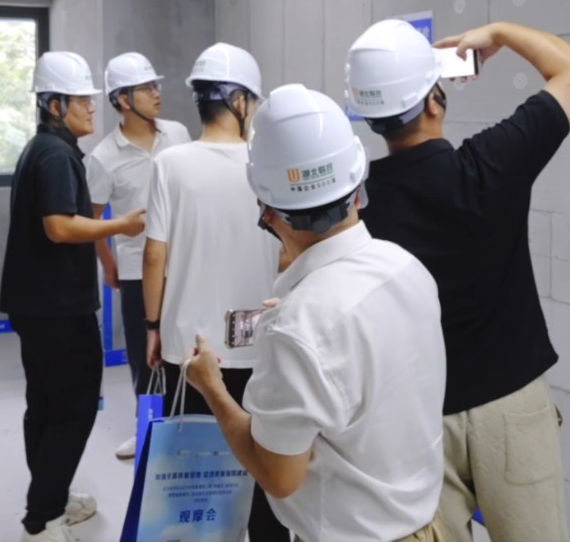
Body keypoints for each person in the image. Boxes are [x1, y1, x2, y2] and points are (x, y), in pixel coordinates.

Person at [346, 19, 570, 542]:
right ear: (434, 99)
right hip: (512, 405)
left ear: (372, 118)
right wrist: (501, 32)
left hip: (416, 417)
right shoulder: (491, 164)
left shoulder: (358, 207)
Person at [183, 84, 447, 542]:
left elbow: (279, 476)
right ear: (358, 189)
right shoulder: (409, 268)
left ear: (267, 211)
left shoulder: (297, 329)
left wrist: (211, 387)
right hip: (427, 526)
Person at [142, 42, 287, 542]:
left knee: (193, 472)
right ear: (242, 101)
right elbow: (287, 253)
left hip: (191, 350)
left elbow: (154, 256)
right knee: (266, 469)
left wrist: (153, 327)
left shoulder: (169, 163)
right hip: (261, 347)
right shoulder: (267, 164)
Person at [1, 51, 148, 542]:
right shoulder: (56, 156)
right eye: (81, 101)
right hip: (57, 307)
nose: (91, 108)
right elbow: (60, 227)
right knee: (74, 408)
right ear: (54, 105)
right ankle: (42, 519)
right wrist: (121, 225)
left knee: (44, 405)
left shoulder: (43, 149)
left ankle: (51, 497)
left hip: (36, 304)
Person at [84, 52, 192, 461]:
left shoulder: (178, 134)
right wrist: (108, 265)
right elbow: (93, 218)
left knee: (187, 349)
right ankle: (146, 431)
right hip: (135, 272)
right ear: (123, 99)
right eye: (147, 88)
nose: (157, 93)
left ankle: (189, 429)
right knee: (144, 358)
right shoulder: (103, 157)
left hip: (185, 263)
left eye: (155, 85)